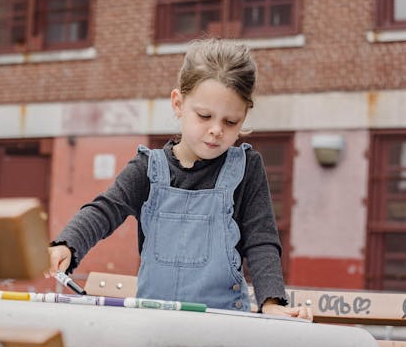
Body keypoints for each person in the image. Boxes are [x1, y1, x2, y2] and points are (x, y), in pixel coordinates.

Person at [46, 37, 312, 320]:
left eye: (230, 122)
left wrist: (272, 303)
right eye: (204, 116)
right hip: (153, 321)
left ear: (244, 116)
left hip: (224, 322)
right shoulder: (147, 168)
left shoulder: (247, 168)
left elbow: (261, 240)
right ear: (178, 103)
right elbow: (105, 209)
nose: (216, 130)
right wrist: (68, 244)